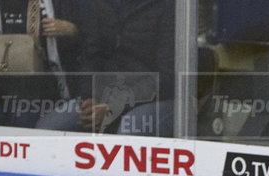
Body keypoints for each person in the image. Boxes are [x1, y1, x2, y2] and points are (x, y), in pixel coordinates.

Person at [36, 0, 175, 135]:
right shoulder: (101, 3)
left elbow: (167, 77)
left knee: (130, 128)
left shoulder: (167, 5)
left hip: (156, 97)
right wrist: (89, 97)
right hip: (108, 94)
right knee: (47, 128)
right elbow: (91, 53)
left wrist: (115, 104)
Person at [0, 0, 81, 128]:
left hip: (40, 93)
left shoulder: (58, 4)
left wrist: (73, 30)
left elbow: (93, 40)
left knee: (25, 115)